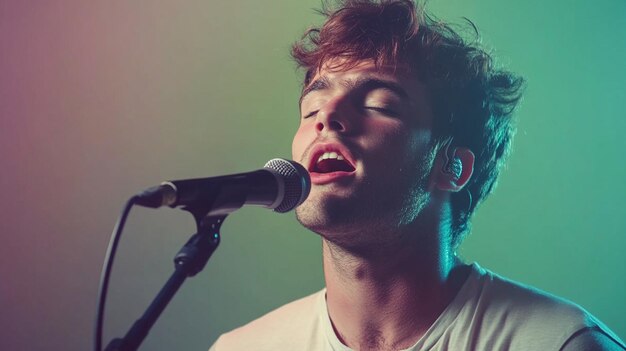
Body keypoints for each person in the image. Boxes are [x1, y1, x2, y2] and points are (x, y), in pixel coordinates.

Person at [210, 1, 625, 350]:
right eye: (312, 109)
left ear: (452, 167)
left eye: (378, 104)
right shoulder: (241, 347)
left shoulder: (559, 343)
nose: (328, 118)